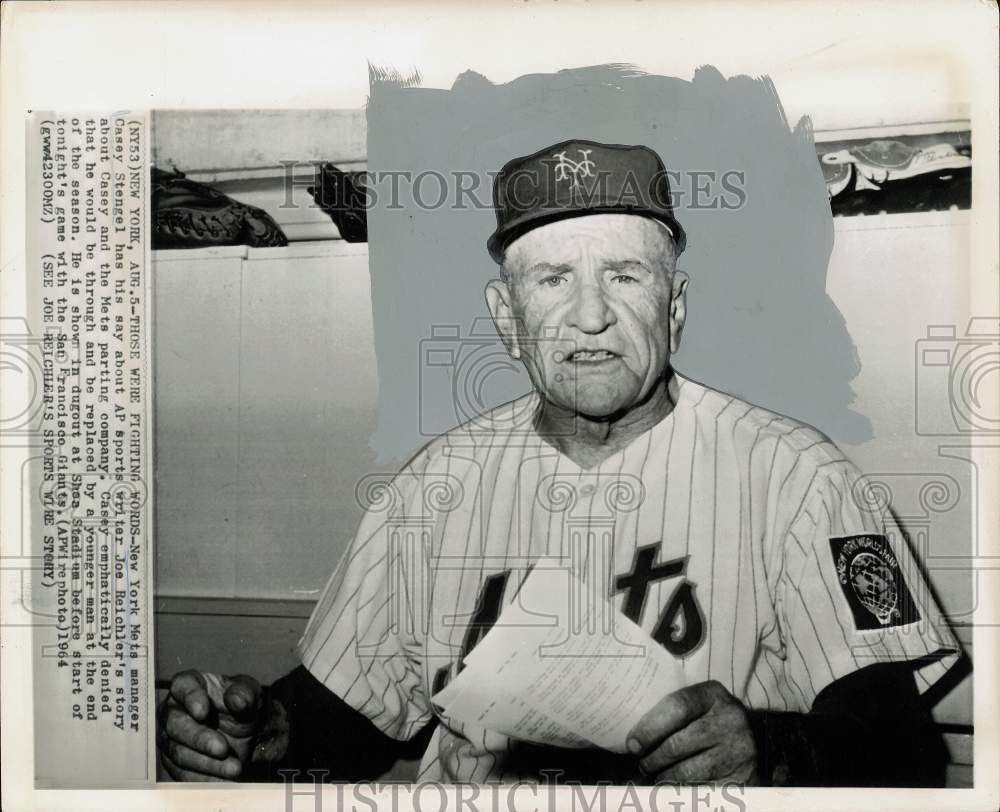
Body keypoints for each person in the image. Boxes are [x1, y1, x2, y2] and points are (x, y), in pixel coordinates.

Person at [157, 139, 958, 786]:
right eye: (552, 279)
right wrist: (256, 732)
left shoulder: (800, 480)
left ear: (673, 308)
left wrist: (777, 752)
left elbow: (903, 752)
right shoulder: (433, 488)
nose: (590, 315)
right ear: (507, 319)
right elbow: (350, 722)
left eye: (624, 274)